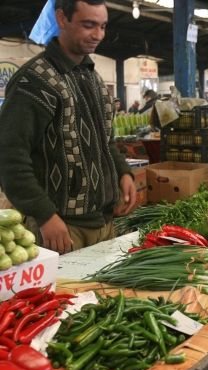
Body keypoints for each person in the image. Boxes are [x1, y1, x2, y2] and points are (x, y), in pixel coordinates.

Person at [0, 0, 136, 255]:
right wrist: (44, 215)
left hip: (103, 224)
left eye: (103, 26)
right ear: (62, 19)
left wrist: (123, 172)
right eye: (89, 25)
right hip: (60, 229)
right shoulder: (34, 81)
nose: (98, 35)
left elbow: (104, 140)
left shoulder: (92, 77)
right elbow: (9, 157)